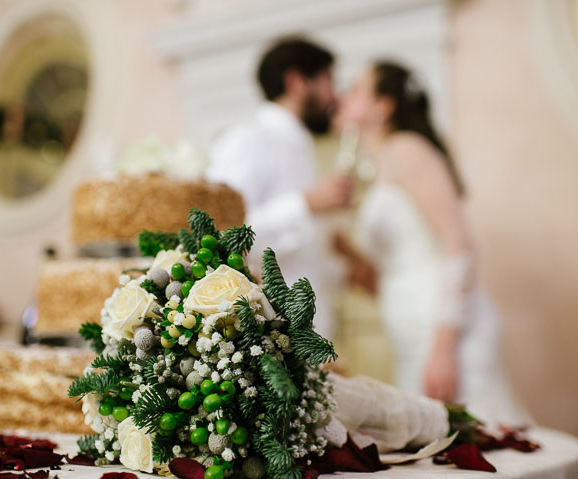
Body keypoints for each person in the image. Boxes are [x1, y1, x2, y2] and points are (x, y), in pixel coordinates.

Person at [333, 61, 529, 425]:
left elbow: (459, 244)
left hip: (447, 333)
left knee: (474, 444)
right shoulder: (376, 168)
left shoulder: (408, 149)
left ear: (384, 106)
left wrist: (444, 346)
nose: (344, 96)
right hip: (409, 330)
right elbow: (387, 275)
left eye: (357, 89)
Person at [206, 38, 352, 340]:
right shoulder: (247, 139)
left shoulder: (300, 144)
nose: (333, 96)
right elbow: (223, 233)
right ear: (297, 82)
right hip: (269, 330)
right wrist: (305, 206)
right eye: (327, 81)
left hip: (313, 325)